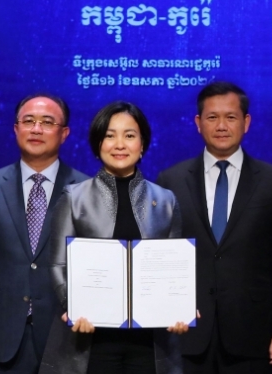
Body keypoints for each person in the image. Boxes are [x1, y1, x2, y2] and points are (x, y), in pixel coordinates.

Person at [157, 81, 272, 374]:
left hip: (253, 336)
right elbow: (160, 256)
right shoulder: (171, 181)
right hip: (187, 332)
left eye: (231, 117)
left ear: (246, 122)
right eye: (212, 117)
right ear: (198, 123)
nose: (222, 125)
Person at [40, 101, 189, 374]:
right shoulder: (74, 198)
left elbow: (174, 270)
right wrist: (73, 306)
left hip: (150, 343)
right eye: (110, 135)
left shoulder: (166, 200)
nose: (119, 144)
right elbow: (58, 266)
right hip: (89, 340)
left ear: (142, 144)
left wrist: (179, 309)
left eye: (129, 135)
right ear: (98, 144)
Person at [0, 94, 88, 374]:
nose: (36, 129)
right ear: (16, 129)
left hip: (65, 335)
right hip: (0, 339)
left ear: (64, 133)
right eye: (28, 121)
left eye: (47, 122)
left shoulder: (85, 190)